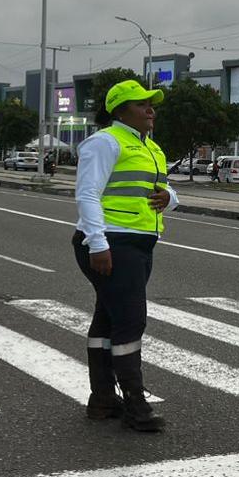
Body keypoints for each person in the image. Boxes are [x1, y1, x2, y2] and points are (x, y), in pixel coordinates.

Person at [71, 80, 178, 432]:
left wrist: (170, 198)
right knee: (131, 321)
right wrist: (98, 244)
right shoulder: (106, 141)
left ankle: (102, 399)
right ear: (120, 110)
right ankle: (136, 406)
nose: (151, 109)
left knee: (108, 319)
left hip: (139, 243)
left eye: (152, 104)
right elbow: (87, 194)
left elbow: (155, 187)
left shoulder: (150, 148)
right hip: (113, 243)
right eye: (141, 104)